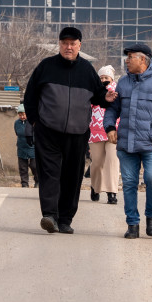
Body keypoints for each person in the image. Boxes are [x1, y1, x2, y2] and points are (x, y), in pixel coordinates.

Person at [23, 27, 116, 235]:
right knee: (49, 173)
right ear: (59, 44)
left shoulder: (87, 70)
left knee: (72, 177)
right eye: (65, 43)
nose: (68, 47)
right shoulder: (46, 67)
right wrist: (35, 122)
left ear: (79, 45)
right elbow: (30, 97)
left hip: (78, 133)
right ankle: (50, 215)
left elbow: (98, 96)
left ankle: (65, 219)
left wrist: (106, 98)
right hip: (48, 131)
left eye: (73, 43)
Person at [104, 43, 152, 239]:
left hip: (151, 144)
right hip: (126, 144)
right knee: (129, 183)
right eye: (127, 57)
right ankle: (132, 224)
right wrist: (110, 127)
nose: (127, 61)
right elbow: (112, 109)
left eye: (130, 57)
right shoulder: (123, 83)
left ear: (143, 59)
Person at [88, 65, 120, 204]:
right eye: (101, 77)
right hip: (95, 132)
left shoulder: (118, 91)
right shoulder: (94, 90)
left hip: (114, 131)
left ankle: (111, 192)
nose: (103, 80)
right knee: (97, 162)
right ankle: (95, 187)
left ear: (112, 78)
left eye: (106, 77)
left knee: (112, 161)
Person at [14, 104, 38, 188]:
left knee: (34, 166)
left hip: (32, 148)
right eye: (20, 115)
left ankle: (38, 181)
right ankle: (24, 183)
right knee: (22, 167)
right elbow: (17, 133)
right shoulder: (17, 123)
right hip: (21, 148)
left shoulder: (32, 122)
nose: (22, 116)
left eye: (24, 114)